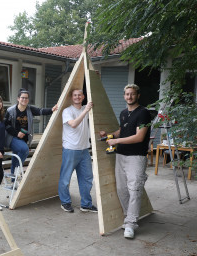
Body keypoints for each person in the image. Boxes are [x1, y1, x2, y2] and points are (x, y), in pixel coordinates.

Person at [99, 84, 151, 239]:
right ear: (124, 96)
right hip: (121, 156)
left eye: (132, 94)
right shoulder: (123, 113)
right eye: (127, 94)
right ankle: (129, 217)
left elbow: (139, 137)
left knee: (134, 189)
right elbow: (122, 130)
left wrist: (117, 141)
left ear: (138, 95)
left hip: (136, 157)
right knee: (122, 189)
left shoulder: (144, 113)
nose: (129, 97)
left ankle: (130, 224)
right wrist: (110, 136)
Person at [5, 89, 58, 180]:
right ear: (18, 98)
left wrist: (52, 109)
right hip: (12, 138)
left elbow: (41, 111)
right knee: (24, 150)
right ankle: (17, 171)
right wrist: (17, 133)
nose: (24, 100)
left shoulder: (30, 109)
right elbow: (6, 125)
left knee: (17, 155)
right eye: (22, 98)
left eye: (26, 98)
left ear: (28, 100)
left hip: (25, 139)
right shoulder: (11, 110)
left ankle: (13, 177)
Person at [58, 89, 97, 213]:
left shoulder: (86, 108)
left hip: (84, 149)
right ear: (71, 98)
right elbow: (73, 124)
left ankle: (86, 204)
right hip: (70, 149)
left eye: (79, 95)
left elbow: (95, 95)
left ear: (83, 97)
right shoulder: (67, 111)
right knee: (65, 179)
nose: (77, 97)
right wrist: (85, 111)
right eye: (75, 95)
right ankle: (65, 202)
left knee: (87, 178)